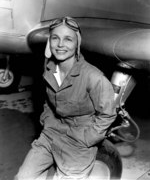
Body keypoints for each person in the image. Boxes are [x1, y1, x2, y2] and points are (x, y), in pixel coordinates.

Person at [15, 16, 116, 180]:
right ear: (49, 42)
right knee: (22, 177)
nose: (60, 44)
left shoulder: (94, 77)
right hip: (50, 133)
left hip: (77, 141)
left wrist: (86, 139)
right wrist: (46, 121)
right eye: (55, 38)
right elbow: (48, 100)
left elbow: (108, 114)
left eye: (68, 39)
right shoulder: (48, 67)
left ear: (78, 43)